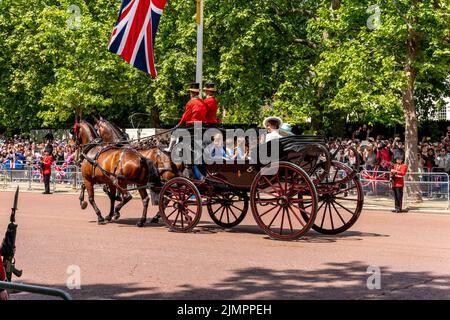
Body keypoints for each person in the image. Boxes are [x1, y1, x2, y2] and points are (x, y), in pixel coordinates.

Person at [164, 83, 208, 153]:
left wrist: (178, 125)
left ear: (191, 93)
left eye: (190, 92)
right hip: (203, 125)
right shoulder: (203, 103)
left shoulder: (190, 103)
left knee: (174, 131)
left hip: (193, 126)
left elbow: (185, 117)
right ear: (197, 93)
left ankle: (170, 148)